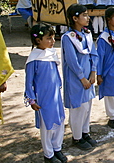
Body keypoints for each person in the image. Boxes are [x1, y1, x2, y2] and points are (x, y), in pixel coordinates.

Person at [24, 24, 67, 163]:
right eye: (49, 38)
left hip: (55, 95)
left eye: (53, 37)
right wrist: (31, 99)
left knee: (59, 121)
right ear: (38, 40)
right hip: (43, 97)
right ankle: (48, 154)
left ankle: (57, 148)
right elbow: (29, 81)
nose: (52, 41)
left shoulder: (51, 53)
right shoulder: (34, 58)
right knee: (47, 126)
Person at [61, 4, 98, 150]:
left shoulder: (87, 34)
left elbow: (93, 54)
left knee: (87, 106)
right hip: (76, 79)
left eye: (87, 15)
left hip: (89, 77)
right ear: (75, 18)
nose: (87, 18)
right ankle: (77, 137)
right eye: (84, 15)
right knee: (78, 108)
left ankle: (85, 132)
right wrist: (82, 77)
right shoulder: (67, 38)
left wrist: (93, 72)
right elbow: (71, 61)